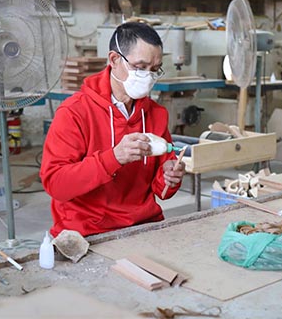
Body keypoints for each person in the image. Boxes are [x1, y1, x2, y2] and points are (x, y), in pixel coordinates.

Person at [40, 22, 185, 237]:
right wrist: (113, 158)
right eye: (139, 67)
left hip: (143, 225)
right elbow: (56, 185)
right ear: (114, 60)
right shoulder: (74, 112)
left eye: (154, 70)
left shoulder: (156, 114)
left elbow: (161, 192)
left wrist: (170, 178)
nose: (147, 77)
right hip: (88, 231)